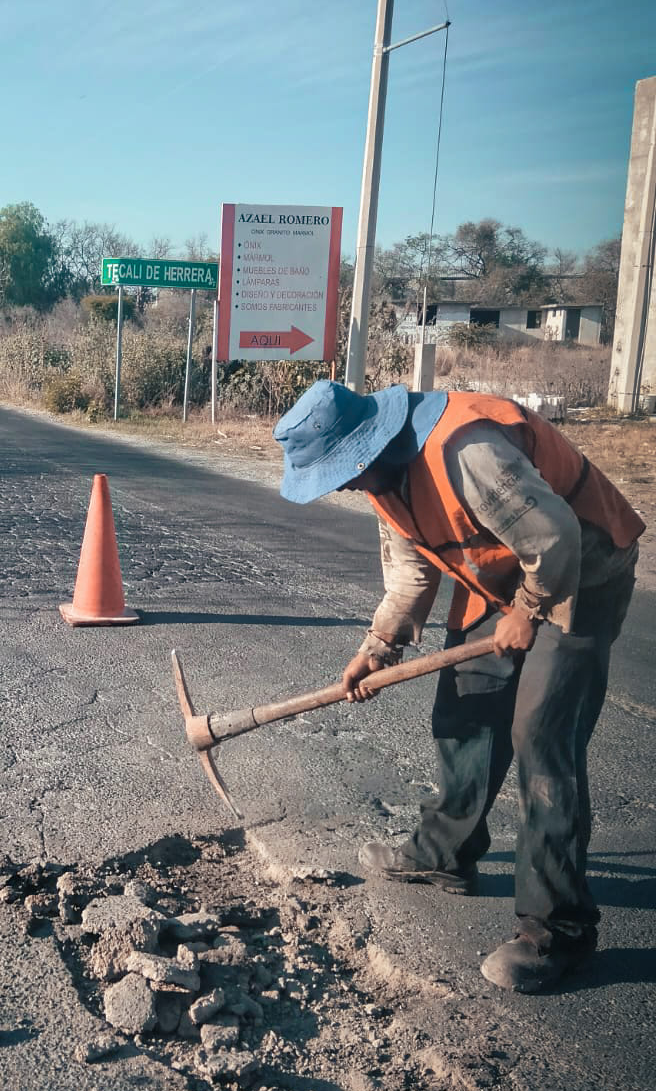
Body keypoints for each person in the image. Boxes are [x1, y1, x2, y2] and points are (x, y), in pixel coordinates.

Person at [273, 380, 643, 993]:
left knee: (540, 733)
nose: (340, 486)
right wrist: (379, 645)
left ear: (368, 448)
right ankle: (444, 852)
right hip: (503, 576)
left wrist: (528, 609)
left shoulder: (465, 450)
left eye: (341, 473)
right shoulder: (383, 479)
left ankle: (560, 931)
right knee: (465, 706)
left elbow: (555, 538)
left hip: (581, 571)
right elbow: (413, 569)